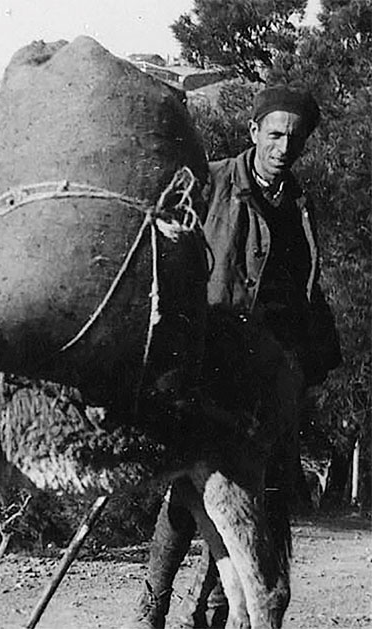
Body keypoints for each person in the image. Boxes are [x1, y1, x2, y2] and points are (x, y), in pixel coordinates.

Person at [125, 84, 342, 629]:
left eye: (294, 137)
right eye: (274, 134)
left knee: (253, 495)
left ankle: (216, 611)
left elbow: (303, 287)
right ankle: (153, 602)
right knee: (191, 484)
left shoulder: (299, 203)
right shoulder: (214, 182)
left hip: (268, 370)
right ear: (254, 133)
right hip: (209, 356)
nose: (283, 147)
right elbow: (167, 245)